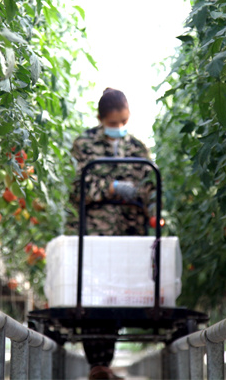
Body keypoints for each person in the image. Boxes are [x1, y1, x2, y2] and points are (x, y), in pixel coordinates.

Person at [69, 88, 155, 380]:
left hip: (129, 236)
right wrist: (111, 188)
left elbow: (150, 187)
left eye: (124, 122)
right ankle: (98, 364)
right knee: (94, 297)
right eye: (113, 123)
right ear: (101, 118)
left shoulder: (139, 149)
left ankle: (103, 365)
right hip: (95, 235)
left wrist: (147, 203)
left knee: (117, 296)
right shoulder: (84, 144)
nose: (119, 128)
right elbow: (76, 187)